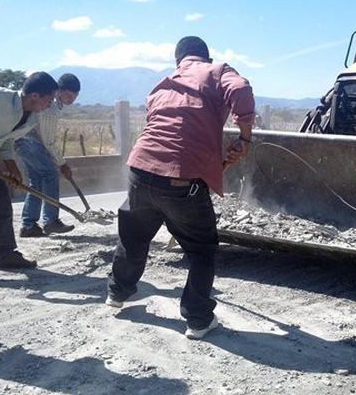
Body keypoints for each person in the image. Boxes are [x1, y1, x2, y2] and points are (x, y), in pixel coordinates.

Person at [106, 36, 255, 340]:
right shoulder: (216, 71)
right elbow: (240, 89)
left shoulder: (164, 84)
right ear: (204, 55)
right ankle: (199, 320)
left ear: (178, 60)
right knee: (202, 249)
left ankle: (117, 293)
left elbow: (165, 126)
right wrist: (245, 137)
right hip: (180, 181)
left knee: (133, 235)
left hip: (140, 170)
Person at [0, 72, 58, 270]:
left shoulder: (31, 118)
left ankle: (4, 255)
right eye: (49, 99)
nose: (50, 104)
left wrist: (11, 167)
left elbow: (5, 141)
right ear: (35, 96)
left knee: (0, 205)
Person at [15, 74, 81, 237]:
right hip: (28, 142)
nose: (72, 98)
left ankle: (29, 225)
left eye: (75, 95)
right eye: (69, 94)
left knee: (36, 181)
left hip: (22, 142)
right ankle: (51, 221)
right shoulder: (50, 108)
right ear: (59, 91)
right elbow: (48, 141)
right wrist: (62, 163)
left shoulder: (54, 106)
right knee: (50, 173)